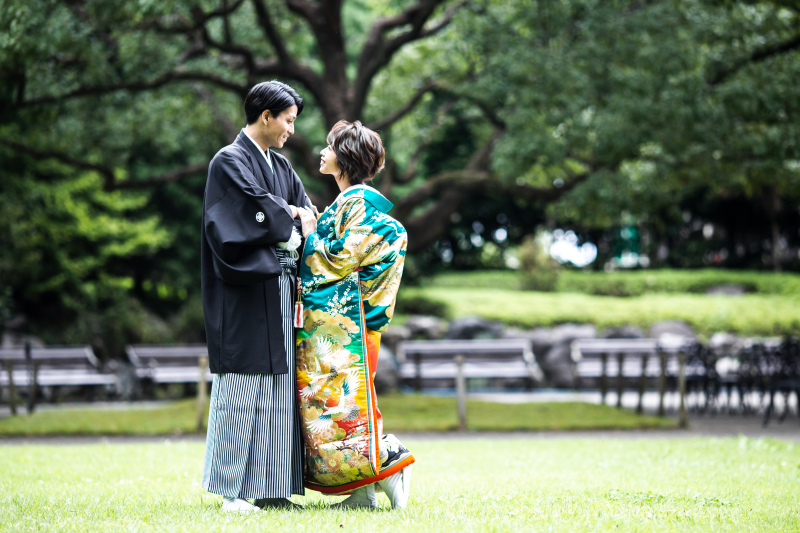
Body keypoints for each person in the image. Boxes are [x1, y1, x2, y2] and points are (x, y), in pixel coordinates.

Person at [200, 80, 313, 512]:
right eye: (288, 120)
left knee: (279, 387)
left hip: (281, 288)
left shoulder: (280, 166)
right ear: (266, 116)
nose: (291, 130)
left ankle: (270, 487)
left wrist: (296, 216)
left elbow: (308, 212)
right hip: (245, 290)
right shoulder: (228, 161)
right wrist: (291, 217)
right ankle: (232, 491)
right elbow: (252, 211)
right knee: (242, 383)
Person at [295, 120, 414, 510]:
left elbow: (335, 259)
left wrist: (310, 231)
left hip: (352, 328)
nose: (322, 152)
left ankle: (391, 461)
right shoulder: (352, 203)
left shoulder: (357, 204)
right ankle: (362, 491)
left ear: (345, 158)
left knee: (345, 409)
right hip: (357, 325)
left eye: (329, 147)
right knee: (349, 409)